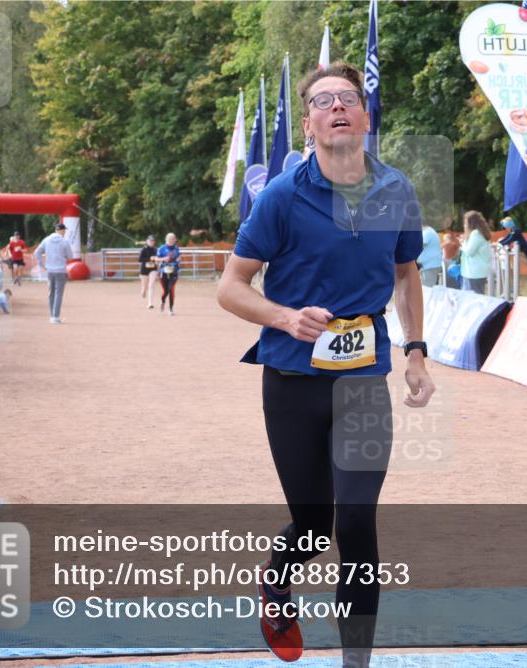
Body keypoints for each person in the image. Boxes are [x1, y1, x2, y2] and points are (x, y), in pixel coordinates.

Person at [216, 61, 434, 668]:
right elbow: (231, 286)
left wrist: (415, 350)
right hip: (292, 380)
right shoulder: (281, 197)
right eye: (322, 101)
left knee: (358, 523)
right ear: (308, 124)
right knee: (312, 525)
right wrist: (285, 317)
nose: (337, 107)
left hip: (364, 380)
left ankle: (355, 663)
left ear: (365, 116)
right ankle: (276, 587)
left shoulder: (397, 190)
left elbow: (405, 273)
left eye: (348, 98)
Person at [34, 222, 74, 324]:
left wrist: (42, 265)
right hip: (61, 270)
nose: (65, 232)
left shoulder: (46, 240)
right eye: (64, 230)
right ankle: (56, 317)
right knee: (58, 294)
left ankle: (52, 316)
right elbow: (70, 257)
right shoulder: (64, 242)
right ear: (61, 230)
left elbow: (37, 253)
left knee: (51, 293)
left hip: (50, 271)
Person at [459, 210, 492, 294]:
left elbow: (469, 252)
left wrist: (462, 243)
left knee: (474, 299)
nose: (464, 225)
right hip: (473, 273)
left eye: (466, 223)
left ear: (471, 223)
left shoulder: (476, 234)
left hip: (474, 273)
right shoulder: (477, 233)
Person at [155, 232, 181, 315]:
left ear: (175, 240)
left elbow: (178, 258)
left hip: (174, 272)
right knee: (166, 291)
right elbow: (156, 259)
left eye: (173, 239)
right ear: (166, 239)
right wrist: (164, 259)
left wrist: (179, 259)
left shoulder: (176, 249)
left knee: (171, 289)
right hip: (163, 272)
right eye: (169, 239)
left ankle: (171, 308)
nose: (171, 240)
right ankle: (162, 302)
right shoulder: (161, 248)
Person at [138, 235, 158, 309]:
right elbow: (140, 259)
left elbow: (158, 258)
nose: (151, 242)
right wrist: (149, 258)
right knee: (144, 288)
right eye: (150, 241)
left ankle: (150, 303)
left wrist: (156, 259)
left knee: (151, 285)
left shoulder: (156, 250)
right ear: (147, 241)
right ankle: (143, 290)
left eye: (153, 241)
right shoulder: (144, 249)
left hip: (153, 269)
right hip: (144, 269)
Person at [441, 221, 460, 288]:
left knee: (450, 284)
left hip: (450, 262)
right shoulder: (453, 239)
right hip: (450, 261)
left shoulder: (452, 240)